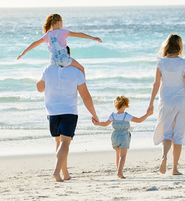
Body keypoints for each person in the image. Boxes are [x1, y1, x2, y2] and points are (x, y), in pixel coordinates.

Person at [36, 47, 99, 182]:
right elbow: (86, 96)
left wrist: (46, 77)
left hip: (52, 112)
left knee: (59, 143)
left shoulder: (48, 69)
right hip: (69, 112)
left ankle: (65, 174)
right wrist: (94, 114)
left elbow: (39, 88)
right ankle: (56, 171)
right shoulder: (76, 72)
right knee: (65, 143)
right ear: (69, 56)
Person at [147, 34, 185, 175]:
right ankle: (175, 168)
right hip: (182, 100)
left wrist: (151, 103)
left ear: (167, 46)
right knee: (179, 134)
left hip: (166, 101)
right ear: (179, 46)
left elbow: (156, 84)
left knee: (166, 132)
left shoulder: (161, 62)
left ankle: (164, 156)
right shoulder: (184, 63)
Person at [17, 13, 102, 75]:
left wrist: (24, 52)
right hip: (64, 60)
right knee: (81, 68)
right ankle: (82, 87)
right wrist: (93, 38)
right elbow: (79, 34)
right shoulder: (63, 32)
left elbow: (35, 43)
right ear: (58, 22)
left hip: (53, 62)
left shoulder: (48, 35)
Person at [92, 95, 152, 179]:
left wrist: (97, 123)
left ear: (116, 105)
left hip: (115, 136)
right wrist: (147, 114)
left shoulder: (113, 115)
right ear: (125, 105)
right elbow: (139, 120)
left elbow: (105, 124)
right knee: (123, 156)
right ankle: (119, 173)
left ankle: (118, 170)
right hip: (124, 136)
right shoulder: (126, 115)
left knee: (118, 154)